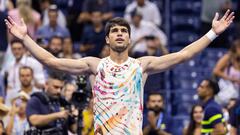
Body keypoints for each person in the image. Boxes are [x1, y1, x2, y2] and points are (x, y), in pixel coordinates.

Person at [5, 9, 234, 134]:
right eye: (115, 31)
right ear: (107, 38)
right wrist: (25, 37)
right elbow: (51, 60)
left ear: (130, 38)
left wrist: (212, 34)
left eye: (124, 31)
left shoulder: (141, 65)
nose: (120, 34)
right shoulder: (94, 65)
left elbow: (184, 55)